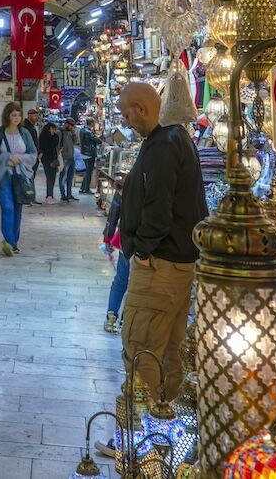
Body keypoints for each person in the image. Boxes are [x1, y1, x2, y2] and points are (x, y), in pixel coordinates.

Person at [116, 77, 206, 420]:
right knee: (169, 347)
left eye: (127, 115)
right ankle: (166, 425)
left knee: (141, 345)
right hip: (175, 262)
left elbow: (159, 207)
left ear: (142, 108)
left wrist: (142, 250)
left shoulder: (164, 143)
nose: (126, 123)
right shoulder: (172, 138)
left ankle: (142, 430)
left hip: (161, 265)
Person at [0, 102, 36, 256]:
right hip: (2, 176)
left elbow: (33, 153)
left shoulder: (25, 134)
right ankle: (8, 241)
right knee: (8, 207)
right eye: (13, 115)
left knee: (17, 210)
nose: (16, 118)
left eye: (18, 115)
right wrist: (8, 157)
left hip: (20, 176)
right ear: (7, 116)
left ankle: (13, 243)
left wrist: (20, 159)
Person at [100, 186, 130, 333]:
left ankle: (111, 317)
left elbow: (114, 213)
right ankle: (125, 319)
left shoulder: (130, 179)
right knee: (135, 284)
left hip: (128, 239)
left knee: (121, 280)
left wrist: (108, 237)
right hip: (149, 243)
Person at [37, 119, 60, 203]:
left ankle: (51, 195)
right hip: (46, 159)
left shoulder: (54, 136)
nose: (55, 131)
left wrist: (54, 135)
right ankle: (49, 195)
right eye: (53, 129)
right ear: (50, 128)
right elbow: (45, 148)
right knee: (49, 177)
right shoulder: (44, 137)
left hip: (53, 159)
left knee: (53, 177)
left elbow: (56, 144)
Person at [78, 118, 101, 195]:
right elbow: (97, 140)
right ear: (91, 123)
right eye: (94, 123)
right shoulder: (88, 132)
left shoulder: (82, 130)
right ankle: (86, 189)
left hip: (84, 152)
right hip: (89, 153)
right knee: (89, 172)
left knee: (87, 171)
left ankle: (82, 188)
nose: (94, 124)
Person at [58, 117, 79, 202]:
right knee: (63, 177)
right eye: (70, 125)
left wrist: (74, 134)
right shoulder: (60, 132)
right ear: (66, 124)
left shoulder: (70, 133)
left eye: (73, 126)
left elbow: (74, 142)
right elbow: (58, 144)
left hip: (71, 157)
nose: (72, 127)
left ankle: (69, 194)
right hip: (64, 158)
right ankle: (63, 195)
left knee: (70, 177)